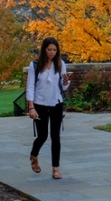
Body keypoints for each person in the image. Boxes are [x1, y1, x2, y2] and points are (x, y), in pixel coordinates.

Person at [26, 37, 70, 179]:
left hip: (56, 103)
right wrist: (31, 107)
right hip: (40, 104)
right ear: (44, 49)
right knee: (43, 135)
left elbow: (64, 86)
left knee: (55, 137)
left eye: (54, 50)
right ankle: (34, 155)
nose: (52, 52)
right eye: (49, 49)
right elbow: (30, 87)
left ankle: (55, 168)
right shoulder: (35, 65)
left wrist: (66, 80)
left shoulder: (60, 64)